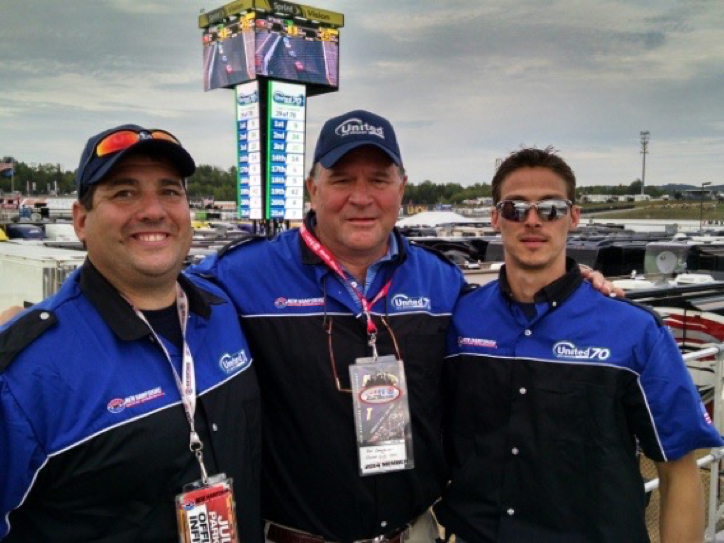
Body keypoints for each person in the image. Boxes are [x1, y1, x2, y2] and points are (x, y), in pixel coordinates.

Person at [191, 113, 617, 543]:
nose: (362, 198)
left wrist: (569, 283)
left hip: (414, 532)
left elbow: (513, 318)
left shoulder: (442, 282)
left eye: (379, 180)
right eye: (341, 180)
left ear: (402, 188)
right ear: (312, 189)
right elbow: (157, 293)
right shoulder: (239, 275)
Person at [434, 147, 723, 542]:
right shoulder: (460, 318)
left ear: (573, 216)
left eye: (550, 207)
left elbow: (678, 469)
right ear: (495, 218)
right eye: (515, 207)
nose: (532, 220)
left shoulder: (635, 331)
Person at [0, 125, 262, 542]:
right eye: (124, 192)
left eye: (170, 192)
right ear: (81, 221)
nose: (153, 210)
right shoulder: (24, 372)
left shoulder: (223, 311)